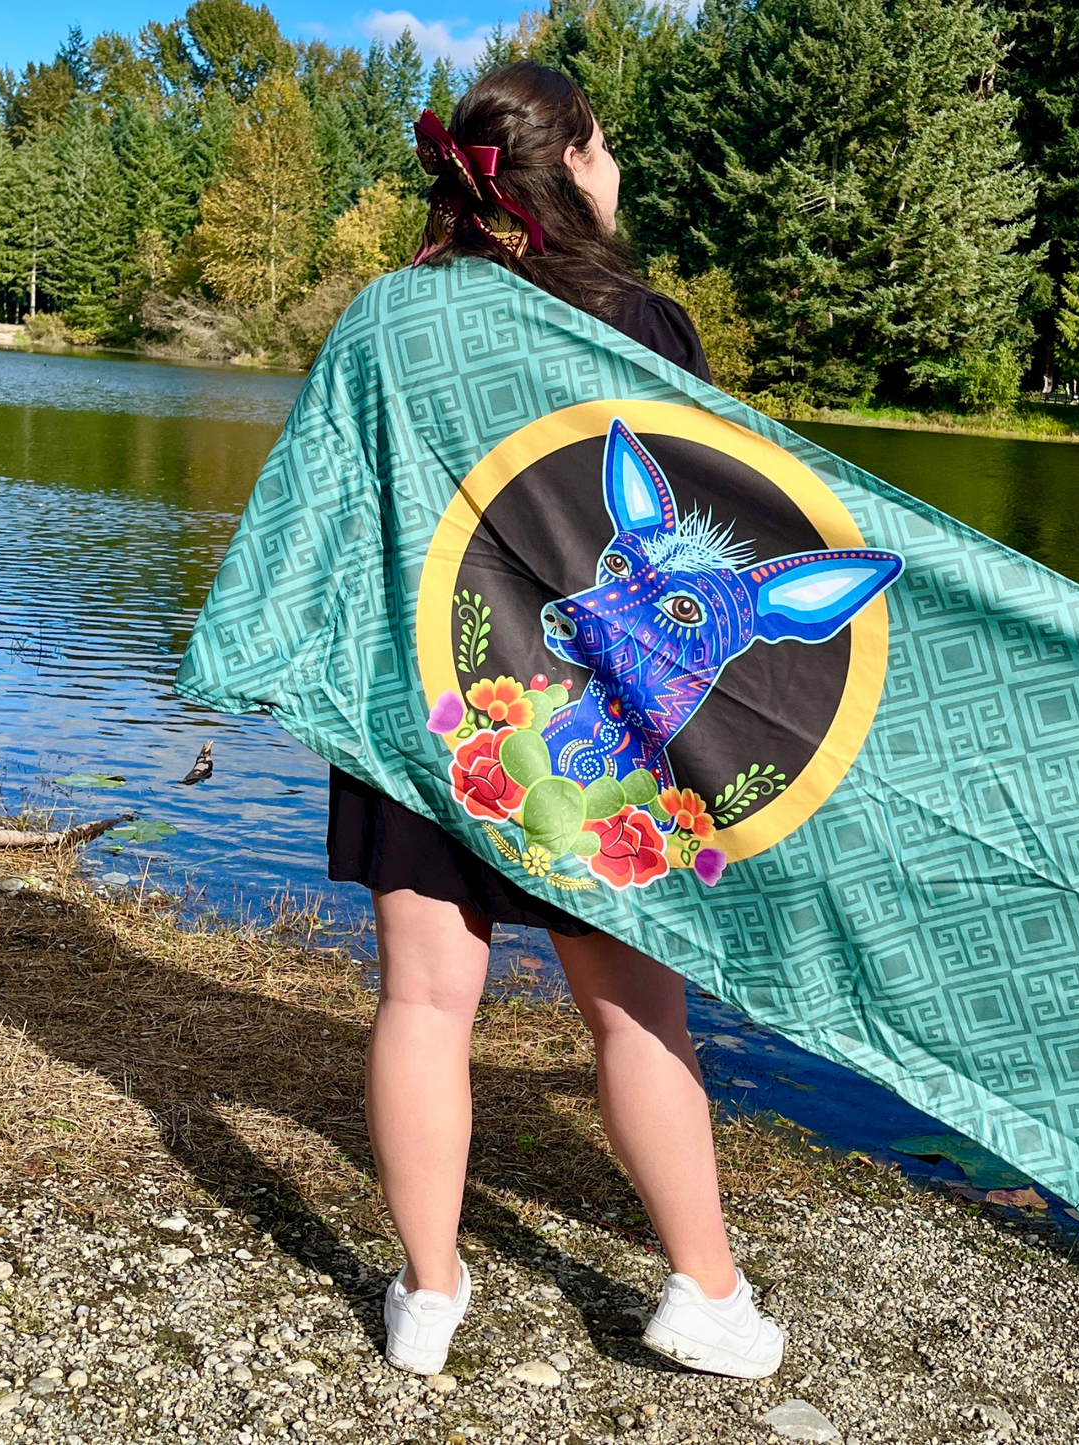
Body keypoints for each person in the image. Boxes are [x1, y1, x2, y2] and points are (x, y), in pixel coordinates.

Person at [327, 62, 785, 1382]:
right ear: (575, 159)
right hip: (608, 728)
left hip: (431, 701)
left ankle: (427, 1294)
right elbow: (731, 526)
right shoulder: (642, 322)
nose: (619, 168)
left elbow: (335, 514)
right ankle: (703, 1291)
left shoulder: (389, 319)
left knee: (423, 1000)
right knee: (636, 1017)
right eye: (610, 146)